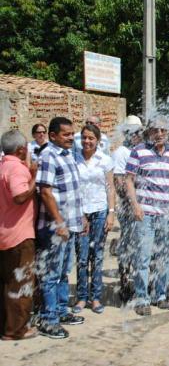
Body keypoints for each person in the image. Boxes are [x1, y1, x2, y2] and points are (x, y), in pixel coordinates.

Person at [36, 117, 85, 339]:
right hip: (55, 228)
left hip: (70, 225)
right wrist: (59, 222)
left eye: (71, 134)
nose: (71, 138)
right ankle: (48, 320)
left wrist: (80, 217)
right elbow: (45, 191)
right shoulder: (48, 156)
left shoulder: (68, 155)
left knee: (64, 272)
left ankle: (61, 311)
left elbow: (72, 191)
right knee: (51, 274)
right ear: (53, 136)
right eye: (66, 134)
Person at [126, 117, 169, 316]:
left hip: (164, 214)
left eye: (163, 130)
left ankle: (161, 296)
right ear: (149, 132)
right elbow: (128, 180)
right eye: (155, 130)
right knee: (143, 256)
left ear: (168, 133)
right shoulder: (138, 151)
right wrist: (135, 206)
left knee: (164, 257)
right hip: (144, 213)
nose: (159, 134)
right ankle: (141, 298)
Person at [71, 124, 115, 315]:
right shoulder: (74, 158)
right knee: (81, 258)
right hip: (80, 213)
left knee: (97, 256)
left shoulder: (105, 160)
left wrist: (111, 213)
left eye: (91, 138)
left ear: (98, 140)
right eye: (84, 137)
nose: (87, 141)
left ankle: (96, 297)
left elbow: (110, 187)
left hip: (99, 211)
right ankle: (81, 297)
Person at [0, 130, 37, 340]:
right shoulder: (16, 169)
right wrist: (35, 178)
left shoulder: (3, 165)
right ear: (22, 149)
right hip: (19, 235)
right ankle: (17, 330)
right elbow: (20, 196)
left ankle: (6, 325)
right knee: (21, 284)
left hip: (4, 233)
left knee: (6, 283)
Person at [111, 115, 143, 303]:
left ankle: (136, 282)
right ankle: (125, 283)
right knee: (128, 245)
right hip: (127, 207)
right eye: (132, 132)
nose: (135, 135)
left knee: (140, 246)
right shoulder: (121, 153)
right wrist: (134, 195)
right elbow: (119, 182)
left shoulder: (140, 150)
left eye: (138, 132)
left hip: (141, 205)